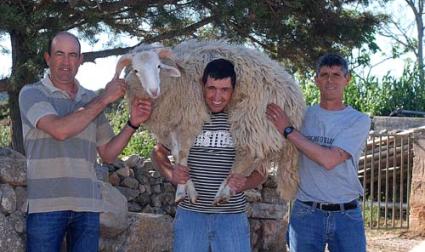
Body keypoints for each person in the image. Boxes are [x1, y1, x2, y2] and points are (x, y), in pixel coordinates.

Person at [19, 31, 152, 252]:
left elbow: (108, 154)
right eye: (59, 54)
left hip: (87, 206)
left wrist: (133, 123)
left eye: (73, 55)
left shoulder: (90, 99)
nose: (66, 61)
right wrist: (104, 99)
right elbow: (60, 130)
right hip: (46, 206)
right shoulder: (31, 93)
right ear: (47, 58)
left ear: (80, 60)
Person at [151, 58, 266, 252]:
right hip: (190, 217)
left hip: (232, 219)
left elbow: (262, 171)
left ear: (233, 90)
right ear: (202, 86)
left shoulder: (245, 122)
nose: (217, 96)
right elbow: (158, 152)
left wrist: (244, 183)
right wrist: (171, 173)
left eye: (224, 89)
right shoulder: (188, 117)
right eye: (211, 88)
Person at [266, 54, 371, 252]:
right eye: (324, 75)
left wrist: (288, 130)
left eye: (336, 75)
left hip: (346, 214)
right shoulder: (302, 116)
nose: (330, 80)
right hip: (306, 213)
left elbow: (329, 160)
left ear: (347, 79)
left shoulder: (358, 120)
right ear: (316, 80)